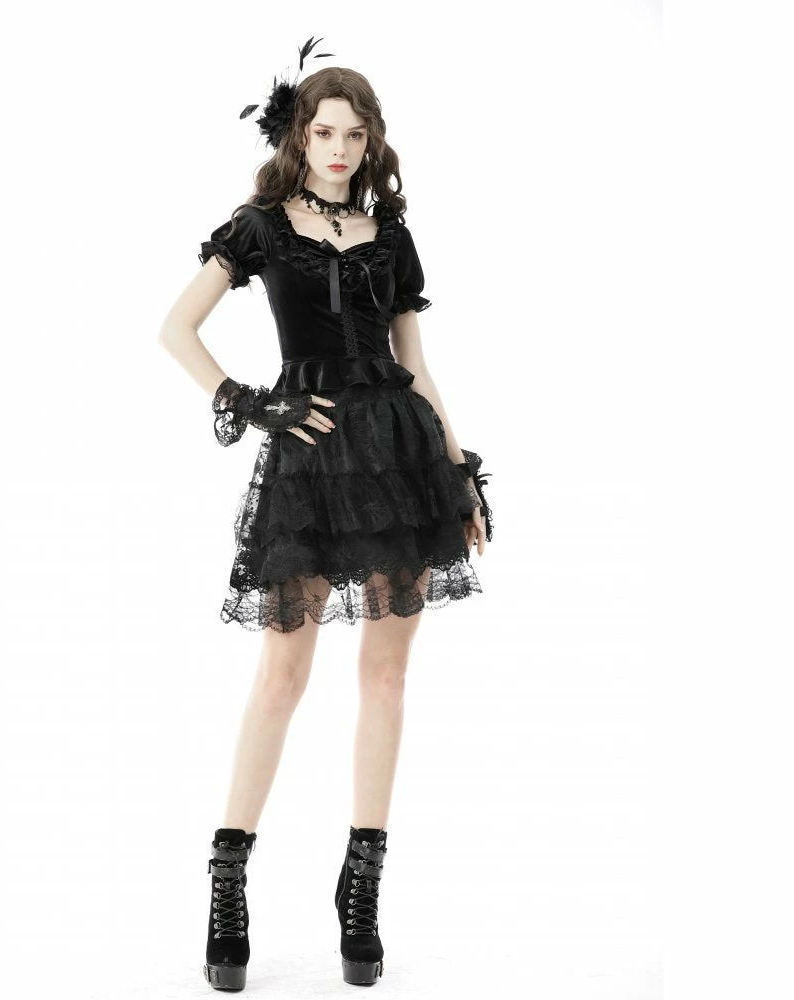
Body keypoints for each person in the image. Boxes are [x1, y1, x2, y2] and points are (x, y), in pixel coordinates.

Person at [158, 38, 492, 990]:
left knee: (386, 676)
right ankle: (228, 881)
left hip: (399, 458)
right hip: (308, 465)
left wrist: (459, 470)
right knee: (282, 675)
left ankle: (362, 889)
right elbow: (175, 328)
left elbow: (417, 368)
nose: (340, 149)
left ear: (371, 141)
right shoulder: (261, 226)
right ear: (298, 136)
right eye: (325, 132)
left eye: (355, 135)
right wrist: (250, 401)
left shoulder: (391, 235)